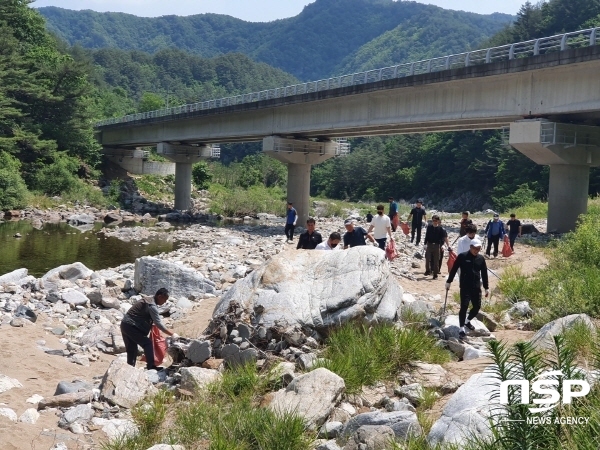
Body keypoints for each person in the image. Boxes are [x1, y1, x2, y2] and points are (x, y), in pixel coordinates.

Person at [120, 288, 178, 370]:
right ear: (159, 296)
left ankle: (129, 369)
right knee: (147, 344)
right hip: (131, 326)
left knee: (132, 350)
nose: (164, 302)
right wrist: (172, 334)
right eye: (164, 299)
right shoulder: (152, 305)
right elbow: (159, 324)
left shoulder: (148, 299)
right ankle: (151, 367)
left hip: (125, 325)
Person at [445, 238, 489, 339]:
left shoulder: (481, 259)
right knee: (464, 307)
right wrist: (449, 281)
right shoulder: (462, 256)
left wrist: (486, 287)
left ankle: (466, 321)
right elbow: (454, 269)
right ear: (470, 247)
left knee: (477, 307)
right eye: (475, 248)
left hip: (476, 286)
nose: (476, 251)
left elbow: (484, 274)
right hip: (465, 286)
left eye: (478, 249)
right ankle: (461, 328)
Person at [423, 214, 449, 279]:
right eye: (433, 220)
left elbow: (442, 238)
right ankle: (427, 270)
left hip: (437, 245)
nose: (434, 221)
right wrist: (425, 244)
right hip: (429, 244)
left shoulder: (441, 229)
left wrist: (442, 245)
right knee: (427, 258)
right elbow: (427, 236)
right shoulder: (429, 227)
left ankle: (435, 274)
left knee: (436, 260)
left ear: (438, 221)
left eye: (436, 220)